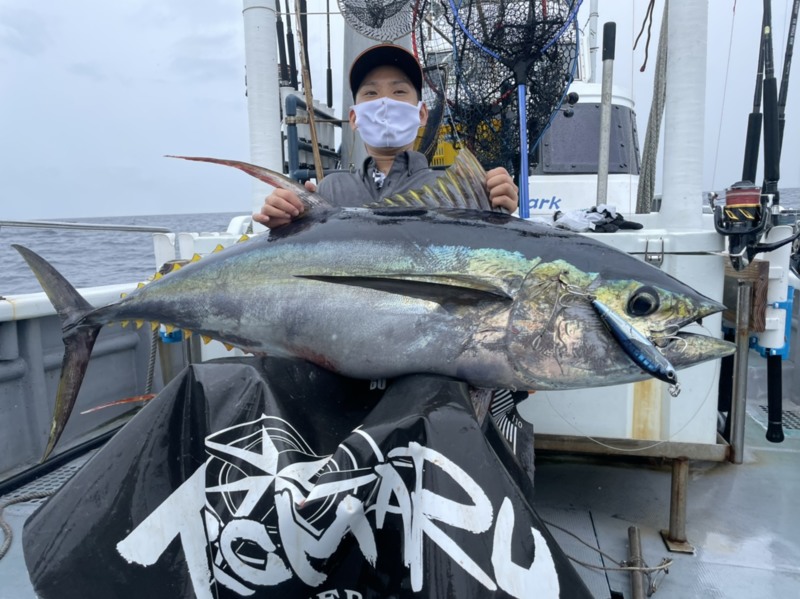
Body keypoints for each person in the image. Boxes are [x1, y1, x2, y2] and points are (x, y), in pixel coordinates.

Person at [252, 43, 519, 228]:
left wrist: (497, 209)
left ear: (421, 114)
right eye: (370, 93)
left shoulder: (454, 189)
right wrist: (286, 221)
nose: (385, 103)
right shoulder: (330, 189)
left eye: (400, 92)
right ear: (355, 117)